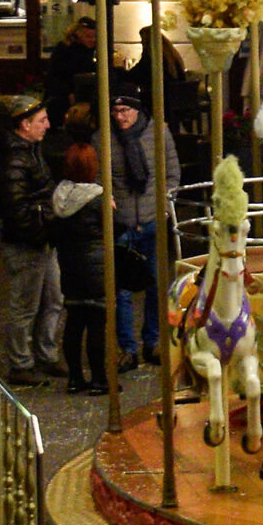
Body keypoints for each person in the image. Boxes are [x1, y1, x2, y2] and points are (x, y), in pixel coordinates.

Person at [0, 94, 65, 388]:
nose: (47, 125)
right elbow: (15, 209)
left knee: (53, 299)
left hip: (41, 240)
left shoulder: (29, 152)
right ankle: (21, 363)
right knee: (26, 305)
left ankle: (45, 354)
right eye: (42, 120)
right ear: (24, 124)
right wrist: (41, 231)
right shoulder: (15, 159)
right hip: (29, 244)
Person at [109, 88, 180, 366]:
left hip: (152, 218)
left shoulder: (158, 132)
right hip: (122, 221)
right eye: (115, 112)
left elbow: (172, 172)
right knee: (121, 291)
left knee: (157, 285)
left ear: (138, 111)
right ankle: (127, 348)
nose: (119, 117)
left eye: (125, 111)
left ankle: (153, 341)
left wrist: (165, 204)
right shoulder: (105, 138)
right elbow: (100, 175)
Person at [50, 143, 110, 396]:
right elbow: (115, 227)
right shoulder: (98, 197)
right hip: (96, 267)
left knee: (74, 321)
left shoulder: (59, 196)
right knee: (97, 323)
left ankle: (75, 377)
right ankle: (99, 379)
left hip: (69, 265)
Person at [43, 7, 99, 125]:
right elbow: (57, 77)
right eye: (88, 36)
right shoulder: (65, 49)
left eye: (95, 37)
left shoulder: (97, 51)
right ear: (77, 34)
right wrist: (70, 94)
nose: (92, 40)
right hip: (64, 99)